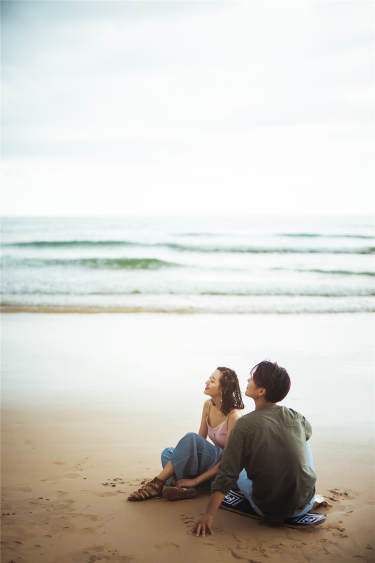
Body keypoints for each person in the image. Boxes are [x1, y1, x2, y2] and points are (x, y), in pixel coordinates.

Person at [194, 361, 318, 536]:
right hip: (304, 504)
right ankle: (302, 490)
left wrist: (208, 515)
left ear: (261, 391)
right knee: (302, 439)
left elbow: (227, 473)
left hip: (267, 509)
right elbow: (308, 432)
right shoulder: (295, 416)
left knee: (241, 466)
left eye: (252, 378)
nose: (247, 380)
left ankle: (271, 489)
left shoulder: (243, 425)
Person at [127, 366, 244, 501]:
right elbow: (200, 441)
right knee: (168, 453)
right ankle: (182, 488)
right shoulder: (208, 405)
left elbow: (228, 460)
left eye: (212, 381)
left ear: (223, 389)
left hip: (224, 468)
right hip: (210, 465)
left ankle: (158, 484)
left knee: (190, 438)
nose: (206, 382)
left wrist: (195, 480)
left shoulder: (234, 416)